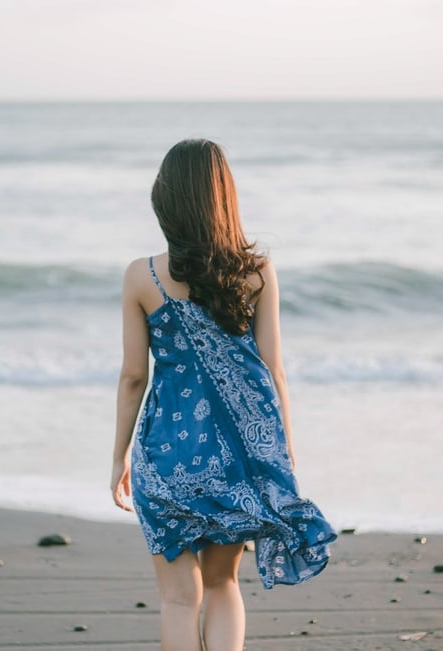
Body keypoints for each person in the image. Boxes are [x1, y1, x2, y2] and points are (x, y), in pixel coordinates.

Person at [111, 139, 336, 651]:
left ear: (165, 199)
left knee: (177, 598)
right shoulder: (256, 272)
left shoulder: (141, 276)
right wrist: (283, 448)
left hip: (166, 453)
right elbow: (273, 369)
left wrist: (118, 456)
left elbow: (132, 378)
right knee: (223, 584)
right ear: (224, 197)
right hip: (234, 458)